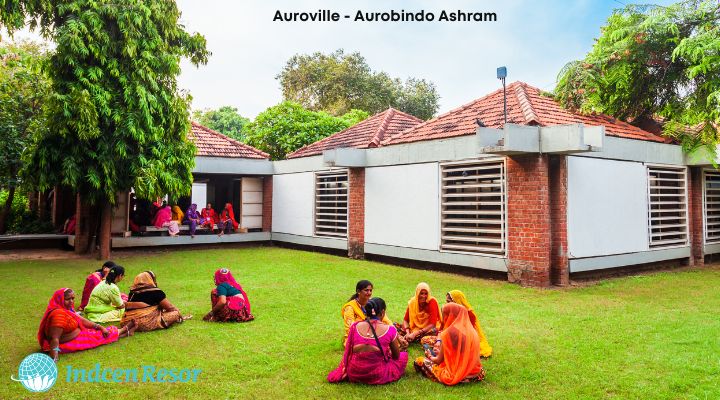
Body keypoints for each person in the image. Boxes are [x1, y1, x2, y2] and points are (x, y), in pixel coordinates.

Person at [39, 288, 135, 361]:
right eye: (68, 299)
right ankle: (123, 330)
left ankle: (125, 332)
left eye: (73, 298)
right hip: (65, 344)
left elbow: (82, 320)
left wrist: (100, 327)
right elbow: (54, 339)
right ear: (60, 299)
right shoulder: (58, 314)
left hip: (76, 334)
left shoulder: (65, 310)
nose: (71, 302)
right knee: (98, 336)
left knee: (98, 332)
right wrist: (54, 359)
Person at [328, 298, 408, 385]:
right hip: (378, 375)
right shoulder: (390, 330)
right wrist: (398, 349)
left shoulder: (355, 326)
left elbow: (348, 352)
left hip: (354, 373)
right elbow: (396, 357)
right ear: (383, 312)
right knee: (403, 356)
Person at [414, 303, 485, 385]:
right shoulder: (471, 331)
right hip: (475, 373)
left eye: (444, 315)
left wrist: (429, 355)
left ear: (449, 316)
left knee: (419, 361)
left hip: (457, 375)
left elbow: (438, 361)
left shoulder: (449, 333)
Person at [121, 271, 191, 332]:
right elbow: (170, 308)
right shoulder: (155, 292)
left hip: (126, 323)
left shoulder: (132, 292)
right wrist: (179, 314)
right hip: (143, 323)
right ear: (151, 279)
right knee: (175, 313)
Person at [341, 280, 392, 346]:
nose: (369, 293)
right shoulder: (350, 307)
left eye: (370, 290)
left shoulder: (373, 303)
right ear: (358, 291)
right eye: (366, 290)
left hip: (374, 334)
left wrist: (395, 333)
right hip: (356, 337)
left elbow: (386, 320)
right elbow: (351, 328)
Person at [446, 290, 492, 357]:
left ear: (456, 301)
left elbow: (468, 333)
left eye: (449, 302)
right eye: (446, 301)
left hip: (467, 340)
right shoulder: (451, 311)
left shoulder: (469, 314)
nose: (447, 304)